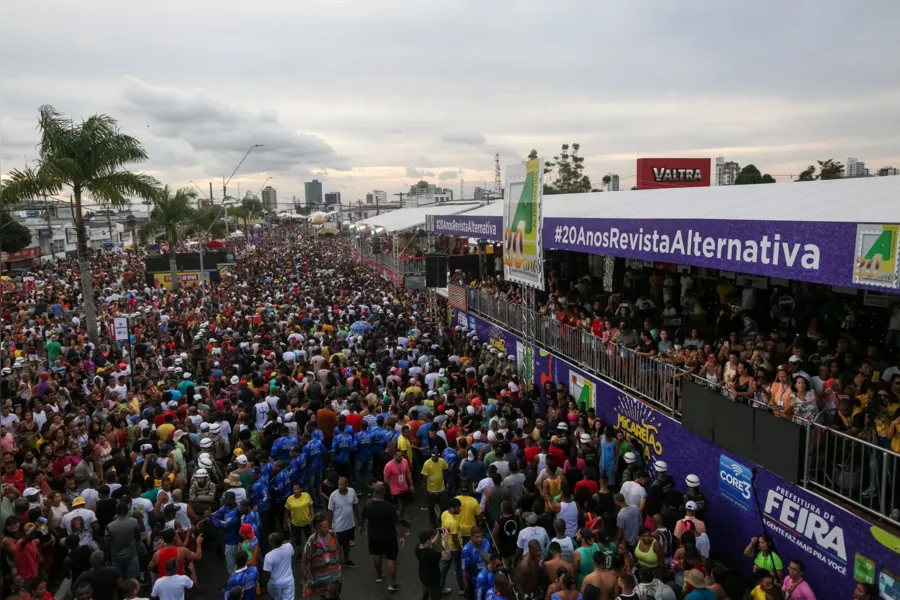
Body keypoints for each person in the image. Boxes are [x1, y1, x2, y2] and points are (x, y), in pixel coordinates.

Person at [360, 483, 404, 592]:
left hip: (373, 536)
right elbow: (397, 524)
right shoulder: (389, 507)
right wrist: (401, 536)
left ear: (375, 494)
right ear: (384, 494)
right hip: (389, 537)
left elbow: (362, 517)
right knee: (391, 559)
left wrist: (361, 526)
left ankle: (379, 575)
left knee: (376, 555)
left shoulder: (368, 504)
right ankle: (392, 584)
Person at [300, 513, 343, 598]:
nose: (327, 529)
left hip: (334, 573)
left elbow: (338, 547)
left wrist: (341, 559)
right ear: (317, 527)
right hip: (320, 576)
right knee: (324, 596)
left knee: (336, 593)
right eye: (324, 527)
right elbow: (304, 557)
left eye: (327, 526)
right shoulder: (312, 541)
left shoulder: (332, 535)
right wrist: (304, 572)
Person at [327, 476, 359, 569]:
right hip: (338, 526)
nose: (340, 486)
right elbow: (330, 511)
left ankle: (346, 560)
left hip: (350, 524)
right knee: (337, 546)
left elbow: (355, 506)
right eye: (339, 484)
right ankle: (337, 561)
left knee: (347, 544)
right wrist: (329, 527)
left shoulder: (352, 491)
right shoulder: (333, 495)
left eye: (342, 485)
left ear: (347, 485)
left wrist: (358, 520)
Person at [440, 497, 465, 595]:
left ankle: (441, 587)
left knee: (444, 568)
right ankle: (462, 589)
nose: (459, 510)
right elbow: (455, 538)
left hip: (445, 546)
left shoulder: (444, 514)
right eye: (458, 508)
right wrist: (460, 549)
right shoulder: (453, 522)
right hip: (454, 549)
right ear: (452, 508)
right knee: (458, 569)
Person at [384, 451, 414, 527]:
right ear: (394, 456)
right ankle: (393, 521)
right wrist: (388, 490)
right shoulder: (388, 465)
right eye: (399, 456)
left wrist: (411, 485)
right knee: (394, 507)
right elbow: (386, 478)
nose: (401, 458)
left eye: (402, 456)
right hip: (394, 490)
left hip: (404, 487)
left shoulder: (404, 461)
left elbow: (408, 473)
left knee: (403, 504)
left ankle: (400, 518)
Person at [263, 532, 296, 600]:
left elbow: (267, 572)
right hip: (289, 580)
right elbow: (292, 554)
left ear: (272, 543)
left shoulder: (269, 556)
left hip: (275, 583)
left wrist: (266, 583)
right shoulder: (289, 546)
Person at [462, 527, 492, 600]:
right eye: (477, 537)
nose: (480, 539)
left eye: (481, 536)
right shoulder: (466, 550)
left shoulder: (487, 542)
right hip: (475, 582)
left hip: (487, 578)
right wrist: (466, 586)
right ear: (471, 537)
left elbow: (490, 558)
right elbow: (464, 570)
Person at [422, 448, 449, 528]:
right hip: (431, 491)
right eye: (433, 456)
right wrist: (425, 489)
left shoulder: (442, 461)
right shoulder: (427, 463)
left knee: (443, 507)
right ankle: (433, 522)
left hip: (441, 490)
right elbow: (425, 477)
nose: (435, 458)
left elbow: (446, 469)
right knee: (431, 508)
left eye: (436, 456)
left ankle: (441, 521)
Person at [417, 528, 445, 600]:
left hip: (423, 577)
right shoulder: (431, 554)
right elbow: (447, 557)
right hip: (432, 581)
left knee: (426, 594)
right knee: (435, 597)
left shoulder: (418, 548)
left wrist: (438, 534)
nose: (432, 539)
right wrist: (446, 540)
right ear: (427, 540)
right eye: (431, 538)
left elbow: (431, 542)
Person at [285, 483, 314, 550]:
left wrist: (312, 515)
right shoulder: (289, 499)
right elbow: (286, 512)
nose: (296, 490)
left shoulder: (306, 495)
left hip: (307, 521)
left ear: (301, 489)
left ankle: (310, 550)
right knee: (298, 540)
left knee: (309, 537)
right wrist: (285, 522)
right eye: (294, 489)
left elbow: (311, 505)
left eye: (297, 488)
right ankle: (300, 552)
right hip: (295, 524)